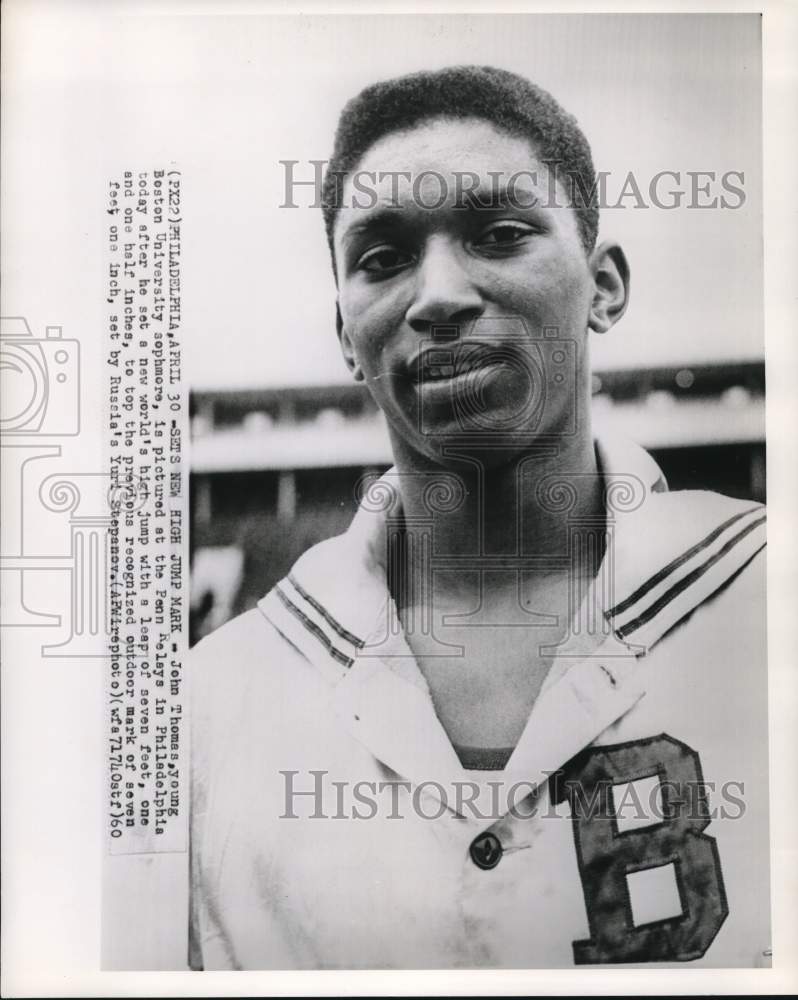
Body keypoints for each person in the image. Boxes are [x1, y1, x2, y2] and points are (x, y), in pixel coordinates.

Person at [189, 66, 769, 969]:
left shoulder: (765, 595)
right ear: (347, 334)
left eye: (500, 234)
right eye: (381, 257)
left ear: (605, 287)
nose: (438, 295)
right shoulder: (215, 700)